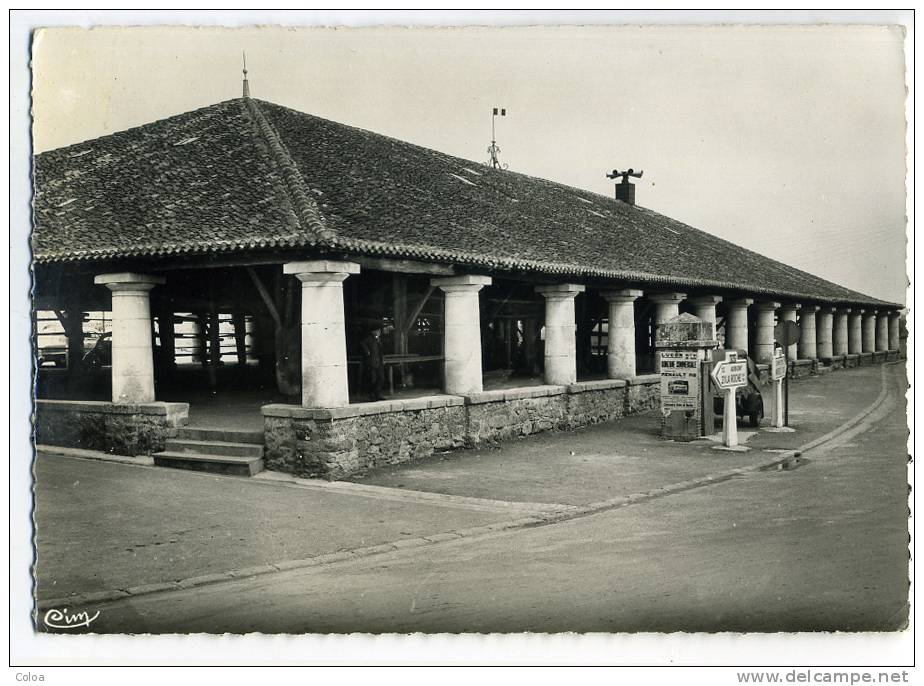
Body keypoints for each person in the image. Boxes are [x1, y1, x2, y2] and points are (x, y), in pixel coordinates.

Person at [360, 325, 386, 400]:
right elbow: (362, 343)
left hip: (379, 362)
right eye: (377, 331)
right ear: (373, 332)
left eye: (379, 331)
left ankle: (378, 394)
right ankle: (371, 396)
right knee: (372, 379)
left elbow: (381, 350)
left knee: (381, 378)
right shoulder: (369, 338)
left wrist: (383, 359)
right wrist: (367, 351)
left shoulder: (379, 339)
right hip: (371, 362)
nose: (379, 332)